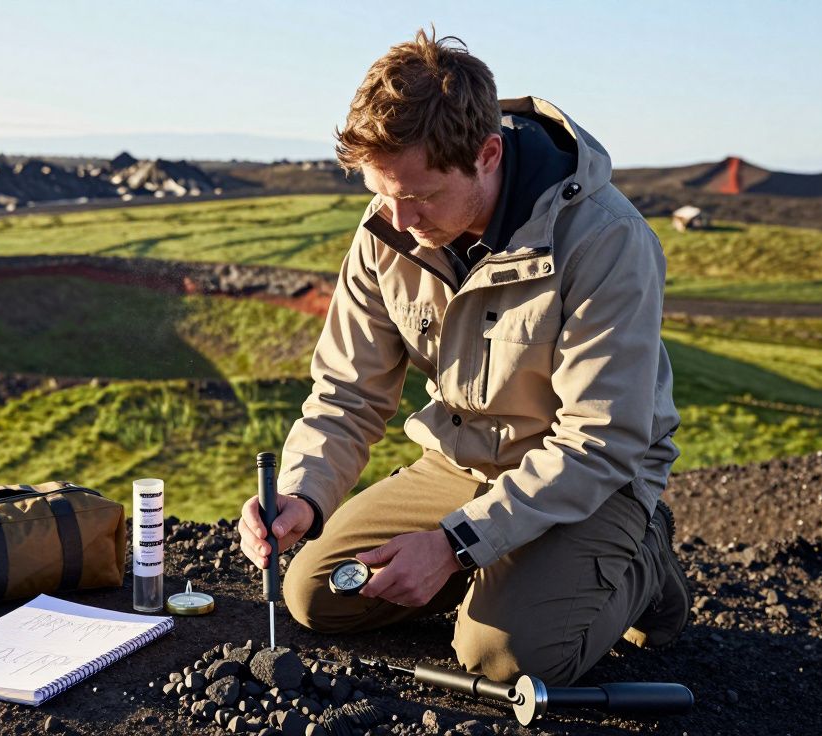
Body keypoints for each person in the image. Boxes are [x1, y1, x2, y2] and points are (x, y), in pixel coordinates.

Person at [237, 29, 688, 686]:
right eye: (379, 191)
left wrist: (453, 545)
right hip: (462, 463)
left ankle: (644, 560)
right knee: (314, 593)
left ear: (487, 154)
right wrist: (301, 495)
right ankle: (494, 572)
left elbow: (600, 439)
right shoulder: (386, 230)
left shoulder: (607, 241)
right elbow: (347, 394)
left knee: (506, 659)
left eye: (418, 197)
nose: (394, 217)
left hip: (592, 481)